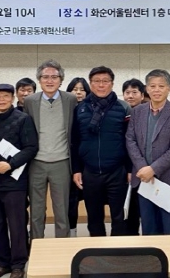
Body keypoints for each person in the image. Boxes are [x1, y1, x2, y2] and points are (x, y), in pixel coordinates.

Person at [0, 84, 39, 278]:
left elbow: (31, 147)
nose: (1, 100)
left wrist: (11, 164)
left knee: (16, 225)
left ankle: (18, 264)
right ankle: (2, 262)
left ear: (13, 98)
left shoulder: (23, 119)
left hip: (14, 181)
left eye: (5, 96)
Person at [126, 69, 170, 235]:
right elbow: (130, 140)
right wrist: (142, 167)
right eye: (152, 86)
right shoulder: (137, 111)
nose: (156, 90)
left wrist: (153, 169)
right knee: (148, 226)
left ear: (168, 88)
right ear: (147, 89)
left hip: (169, 178)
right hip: (144, 178)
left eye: (161, 86)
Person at [72, 66, 131, 237]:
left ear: (112, 84)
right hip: (90, 171)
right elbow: (75, 141)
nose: (101, 85)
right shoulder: (80, 108)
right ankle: (97, 249)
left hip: (117, 171)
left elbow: (130, 141)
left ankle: (118, 249)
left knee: (119, 217)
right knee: (94, 217)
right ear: (90, 84)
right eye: (96, 81)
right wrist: (76, 169)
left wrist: (129, 169)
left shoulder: (123, 108)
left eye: (105, 81)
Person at [24, 59, 77, 239]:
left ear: (61, 80)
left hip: (62, 162)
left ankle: (62, 245)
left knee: (62, 209)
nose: (49, 80)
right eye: (45, 77)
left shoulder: (70, 100)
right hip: (36, 162)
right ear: (39, 80)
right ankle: (36, 245)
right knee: (37, 209)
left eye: (54, 77)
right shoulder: (30, 101)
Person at [66, 77, 91, 236]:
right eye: (74, 89)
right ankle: (72, 232)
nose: (78, 93)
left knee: (91, 199)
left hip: (87, 161)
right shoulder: (64, 109)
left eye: (82, 89)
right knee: (71, 200)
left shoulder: (91, 109)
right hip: (68, 161)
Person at [121, 78, 145, 234]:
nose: (130, 96)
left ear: (142, 95)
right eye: (127, 92)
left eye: (134, 92)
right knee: (130, 208)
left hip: (146, 167)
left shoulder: (149, 114)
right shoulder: (121, 114)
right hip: (126, 169)